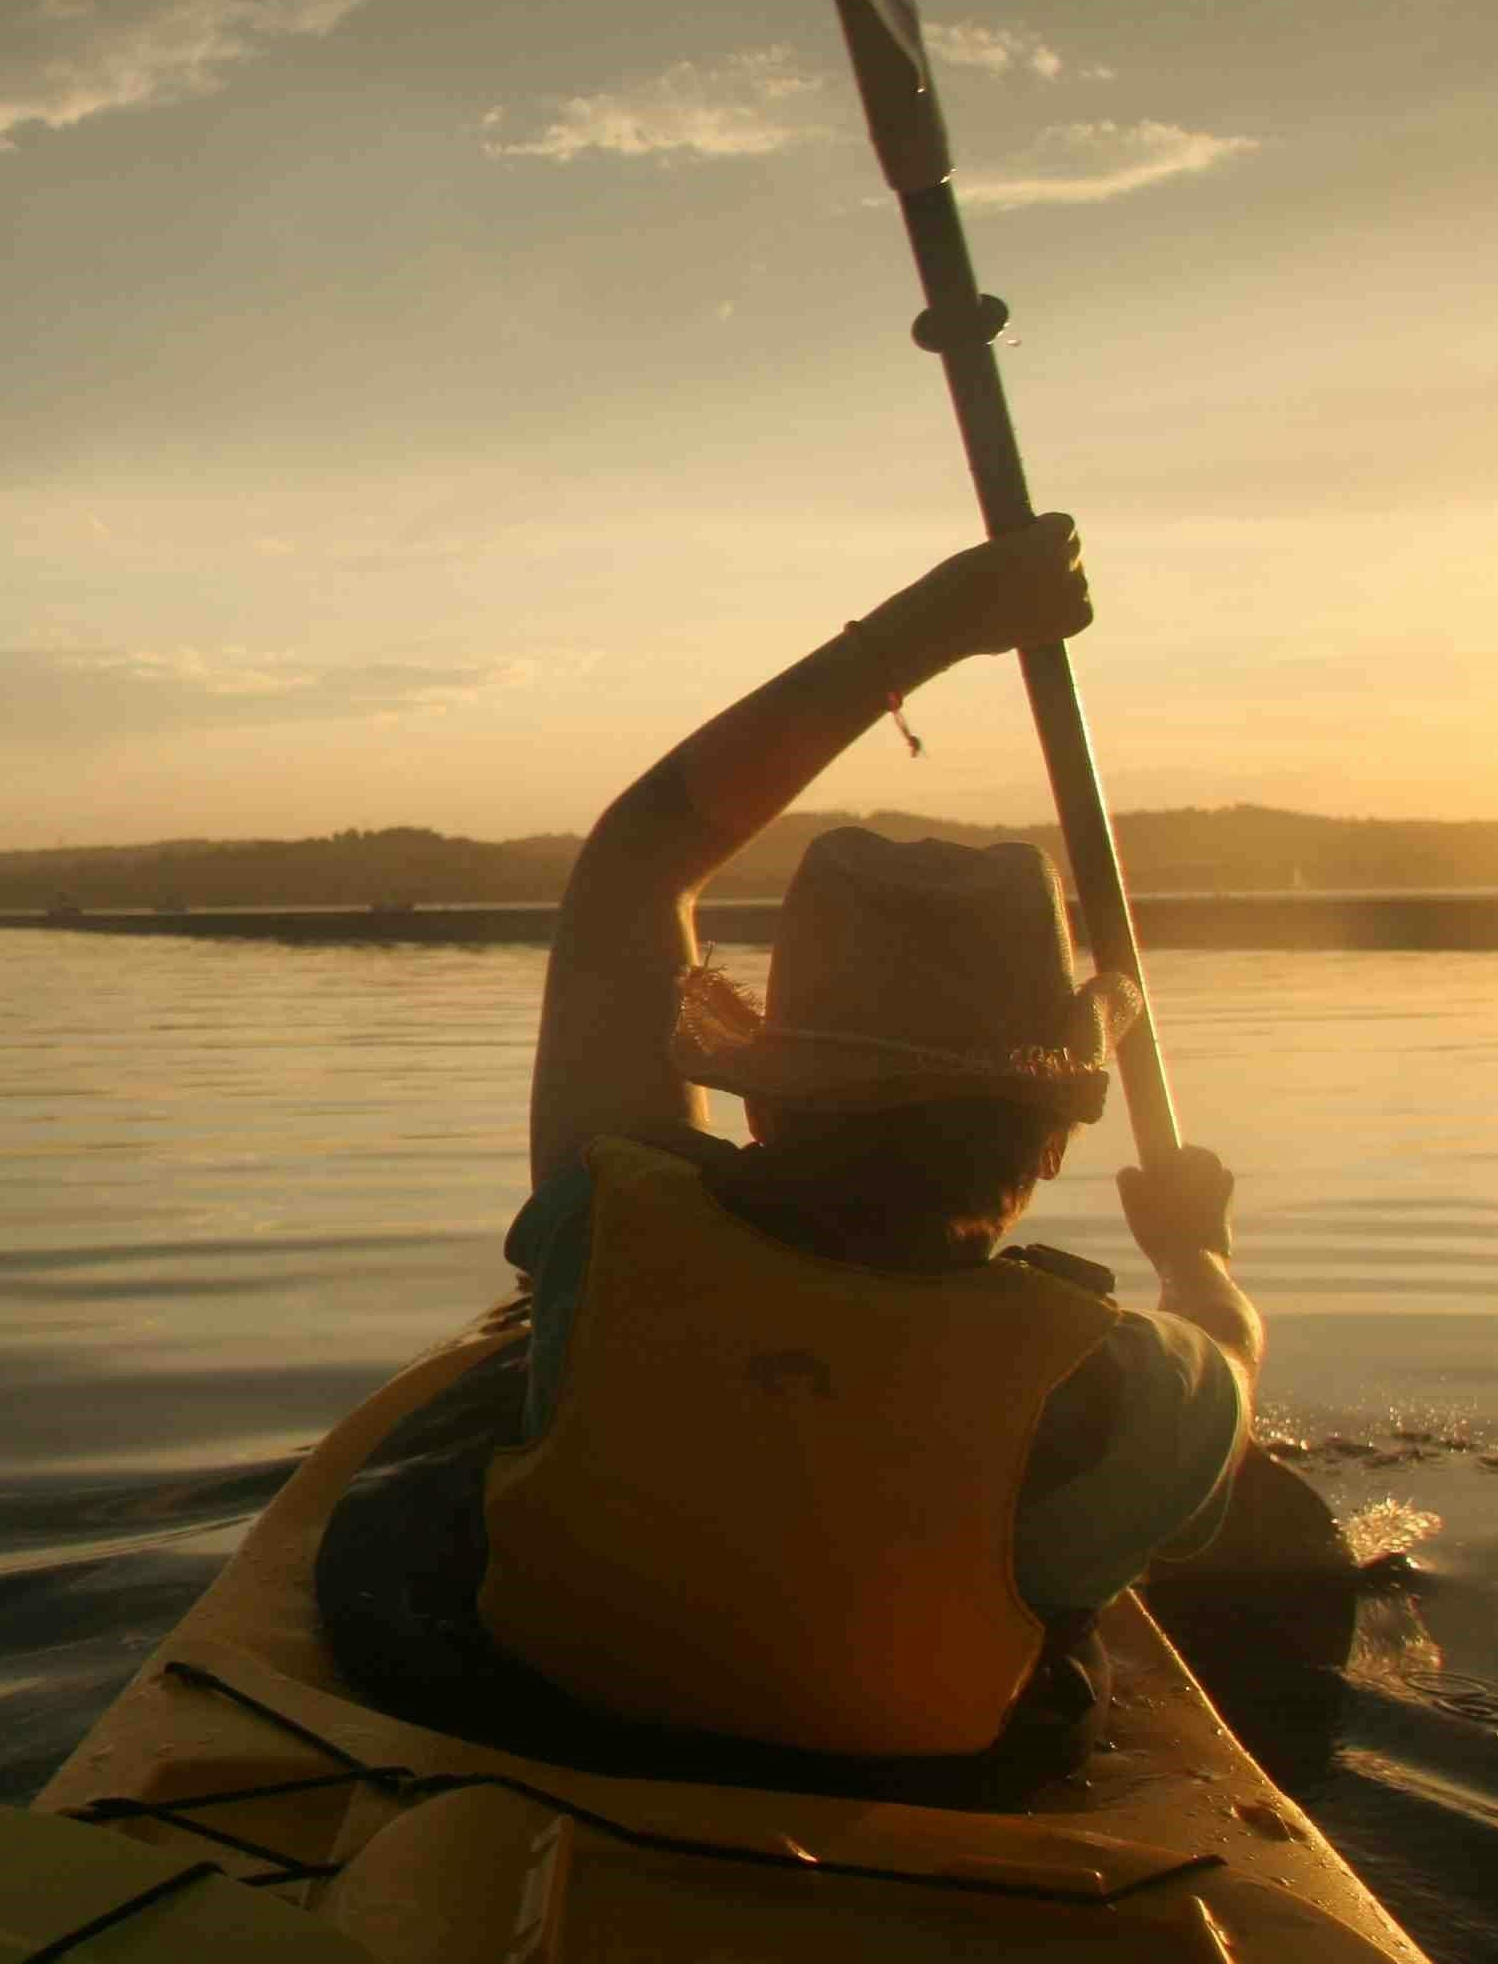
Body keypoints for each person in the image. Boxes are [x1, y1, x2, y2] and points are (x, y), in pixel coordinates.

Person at [315, 512, 1259, 1783]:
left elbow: (637, 858)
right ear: (1053, 1140)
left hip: (524, 1695)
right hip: (911, 1775)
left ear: (764, 1098)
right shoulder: (1131, 1381)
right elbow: (1229, 1360)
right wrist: (1196, 1253)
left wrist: (935, 623)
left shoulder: (608, 1212)